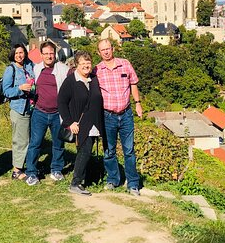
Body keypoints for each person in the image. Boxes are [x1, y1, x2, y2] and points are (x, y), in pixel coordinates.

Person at [95, 38, 142, 196]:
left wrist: (138, 103)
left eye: (108, 48)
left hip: (126, 114)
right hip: (107, 116)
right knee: (109, 151)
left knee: (129, 151)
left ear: (113, 48)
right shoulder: (97, 70)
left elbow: (133, 83)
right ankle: (113, 179)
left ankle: (133, 184)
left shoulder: (125, 64)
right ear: (99, 52)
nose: (106, 52)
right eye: (103, 50)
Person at [57, 51, 106, 195]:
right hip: (80, 124)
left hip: (94, 123)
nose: (86, 65)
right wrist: (69, 122)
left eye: (88, 63)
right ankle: (75, 183)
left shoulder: (94, 79)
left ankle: (82, 180)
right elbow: (61, 102)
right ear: (76, 65)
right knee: (84, 151)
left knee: (85, 152)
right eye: (82, 63)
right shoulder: (71, 81)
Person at [25, 41, 69, 186]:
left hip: (58, 113)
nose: (49, 56)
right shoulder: (36, 69)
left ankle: (56, 169)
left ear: (55, 54)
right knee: (35, 144)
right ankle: (31, 172)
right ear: (41, 55)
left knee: (58, 143)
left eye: (51, 53)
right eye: (46, 54)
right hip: (40, 112)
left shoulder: (63, 69)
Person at [1, 44, 35, 180]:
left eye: (21, 52)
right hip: (18, 108)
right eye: (16, 53)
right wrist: (20, 88)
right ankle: (17, 170)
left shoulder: (29, 66)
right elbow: (6, 91)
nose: (19, 55)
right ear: (13, 55)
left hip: (31, 107)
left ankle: (26, 164)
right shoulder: (11, 69)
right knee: (20, 140)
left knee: (29, 138)